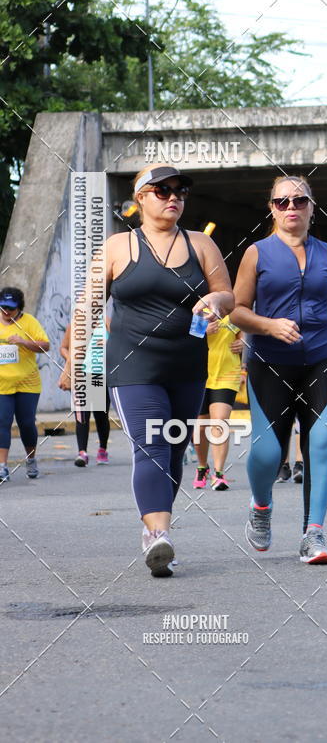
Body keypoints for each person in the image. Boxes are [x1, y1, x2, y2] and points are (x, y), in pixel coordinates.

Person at [100, 164, 234, 577]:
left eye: (180, 191)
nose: (173, 197)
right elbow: (88, 305)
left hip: (187, 365)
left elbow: (228, 295)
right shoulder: (117, 246)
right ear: (140, 197)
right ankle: (159, 535)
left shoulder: (201, 244)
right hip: (133, 364)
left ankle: (155, 530)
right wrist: (74, 361)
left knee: (174, 449)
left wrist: (215, 302)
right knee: (152, 444)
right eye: (162, 190)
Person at [231, 175, 327, 564]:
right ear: (271, 209)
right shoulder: (257, 253)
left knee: (321, 444)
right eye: (282, 202)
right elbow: (237, 310)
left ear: (312, 207)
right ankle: (261, 506)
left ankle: (314, 534)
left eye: (299, 200)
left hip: (323, 362)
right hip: (270, 364)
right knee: (268, 452)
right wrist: (268, 325)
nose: (291, 207)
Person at [0, 287, 50, 482]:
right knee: (2, 422)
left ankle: (31, 459)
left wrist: (23, 342)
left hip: (27, 383)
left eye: (11, 308)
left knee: (27, 423)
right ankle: (2, 467)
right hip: (2, 384)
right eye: (3, 307)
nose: (6, 311)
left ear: (19, 308)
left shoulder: (29, 322)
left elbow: (45, 346)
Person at [191, 316, 243, 491]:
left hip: (227, 373)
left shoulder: (233, 310)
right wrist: (202, 332)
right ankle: (202, 467)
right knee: (200, 426)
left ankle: (219, 474)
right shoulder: (197, 309)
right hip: (198, 373)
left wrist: (243, 343)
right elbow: (182, 338)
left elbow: (243, 333)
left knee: (220, 422)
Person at [58, 320, 112, 466]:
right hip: (80, 376)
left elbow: (118, 346)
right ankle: (82, 453)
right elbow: (63, 347)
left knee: (101, 415)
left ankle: (102, 449)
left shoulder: (107, 323)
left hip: (101, 376)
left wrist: (108, 346)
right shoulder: (75, 325)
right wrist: (71, 358)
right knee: (81, 415)